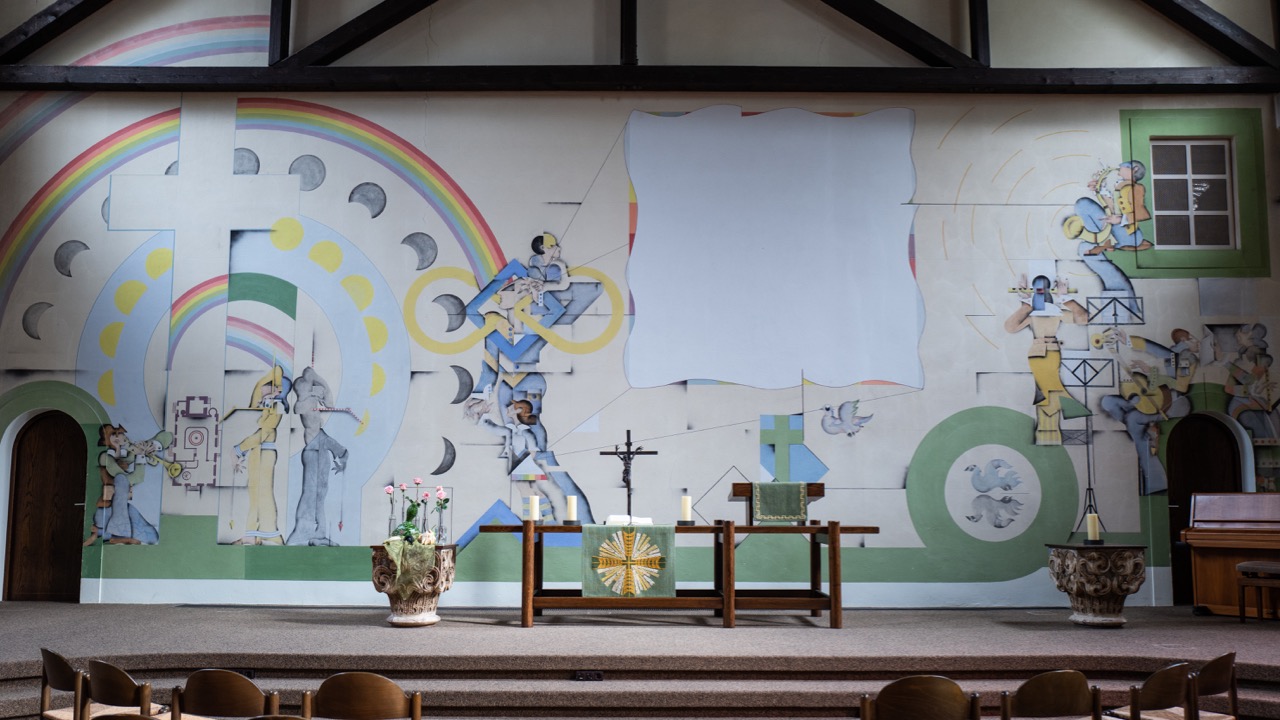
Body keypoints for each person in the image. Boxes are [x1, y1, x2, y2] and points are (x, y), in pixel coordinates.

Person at [1005, 274, 1089, 445]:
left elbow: (1083, 319)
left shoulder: (1056, 312)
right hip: (1037, 354)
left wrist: (1065, 298)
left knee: (1050, 392)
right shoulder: (1033, 314)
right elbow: (1010, 327)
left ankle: (1050, 432)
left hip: (1051, 353)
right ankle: (1047, 431)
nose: (1041, 292)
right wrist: (1025, 304)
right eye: (1038, 289)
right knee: (1046, 392)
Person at [232, 365, 290, 545]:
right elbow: (260, 387)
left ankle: (270, 533)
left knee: (264, 491)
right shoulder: (264, 403)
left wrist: (240, 448)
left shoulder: (276, 407)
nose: (263, 388)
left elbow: (263, 432)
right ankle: (252, 533)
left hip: (265, 452)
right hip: (257, 452)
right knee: (254, 491)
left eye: (271, 386)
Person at [83, 424, 166, 545]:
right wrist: (140, 455)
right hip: (112, 499)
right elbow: (130, 475)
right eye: (113, 434)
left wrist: (140, 451)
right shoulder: (105, 456)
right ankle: (120, 533)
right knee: (121, 480)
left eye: (119, 432)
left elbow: (128, 461)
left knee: (149, 533)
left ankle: (120, 534)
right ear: (105, 441)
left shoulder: (123, 453)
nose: (118, 435)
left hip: (118, 503)